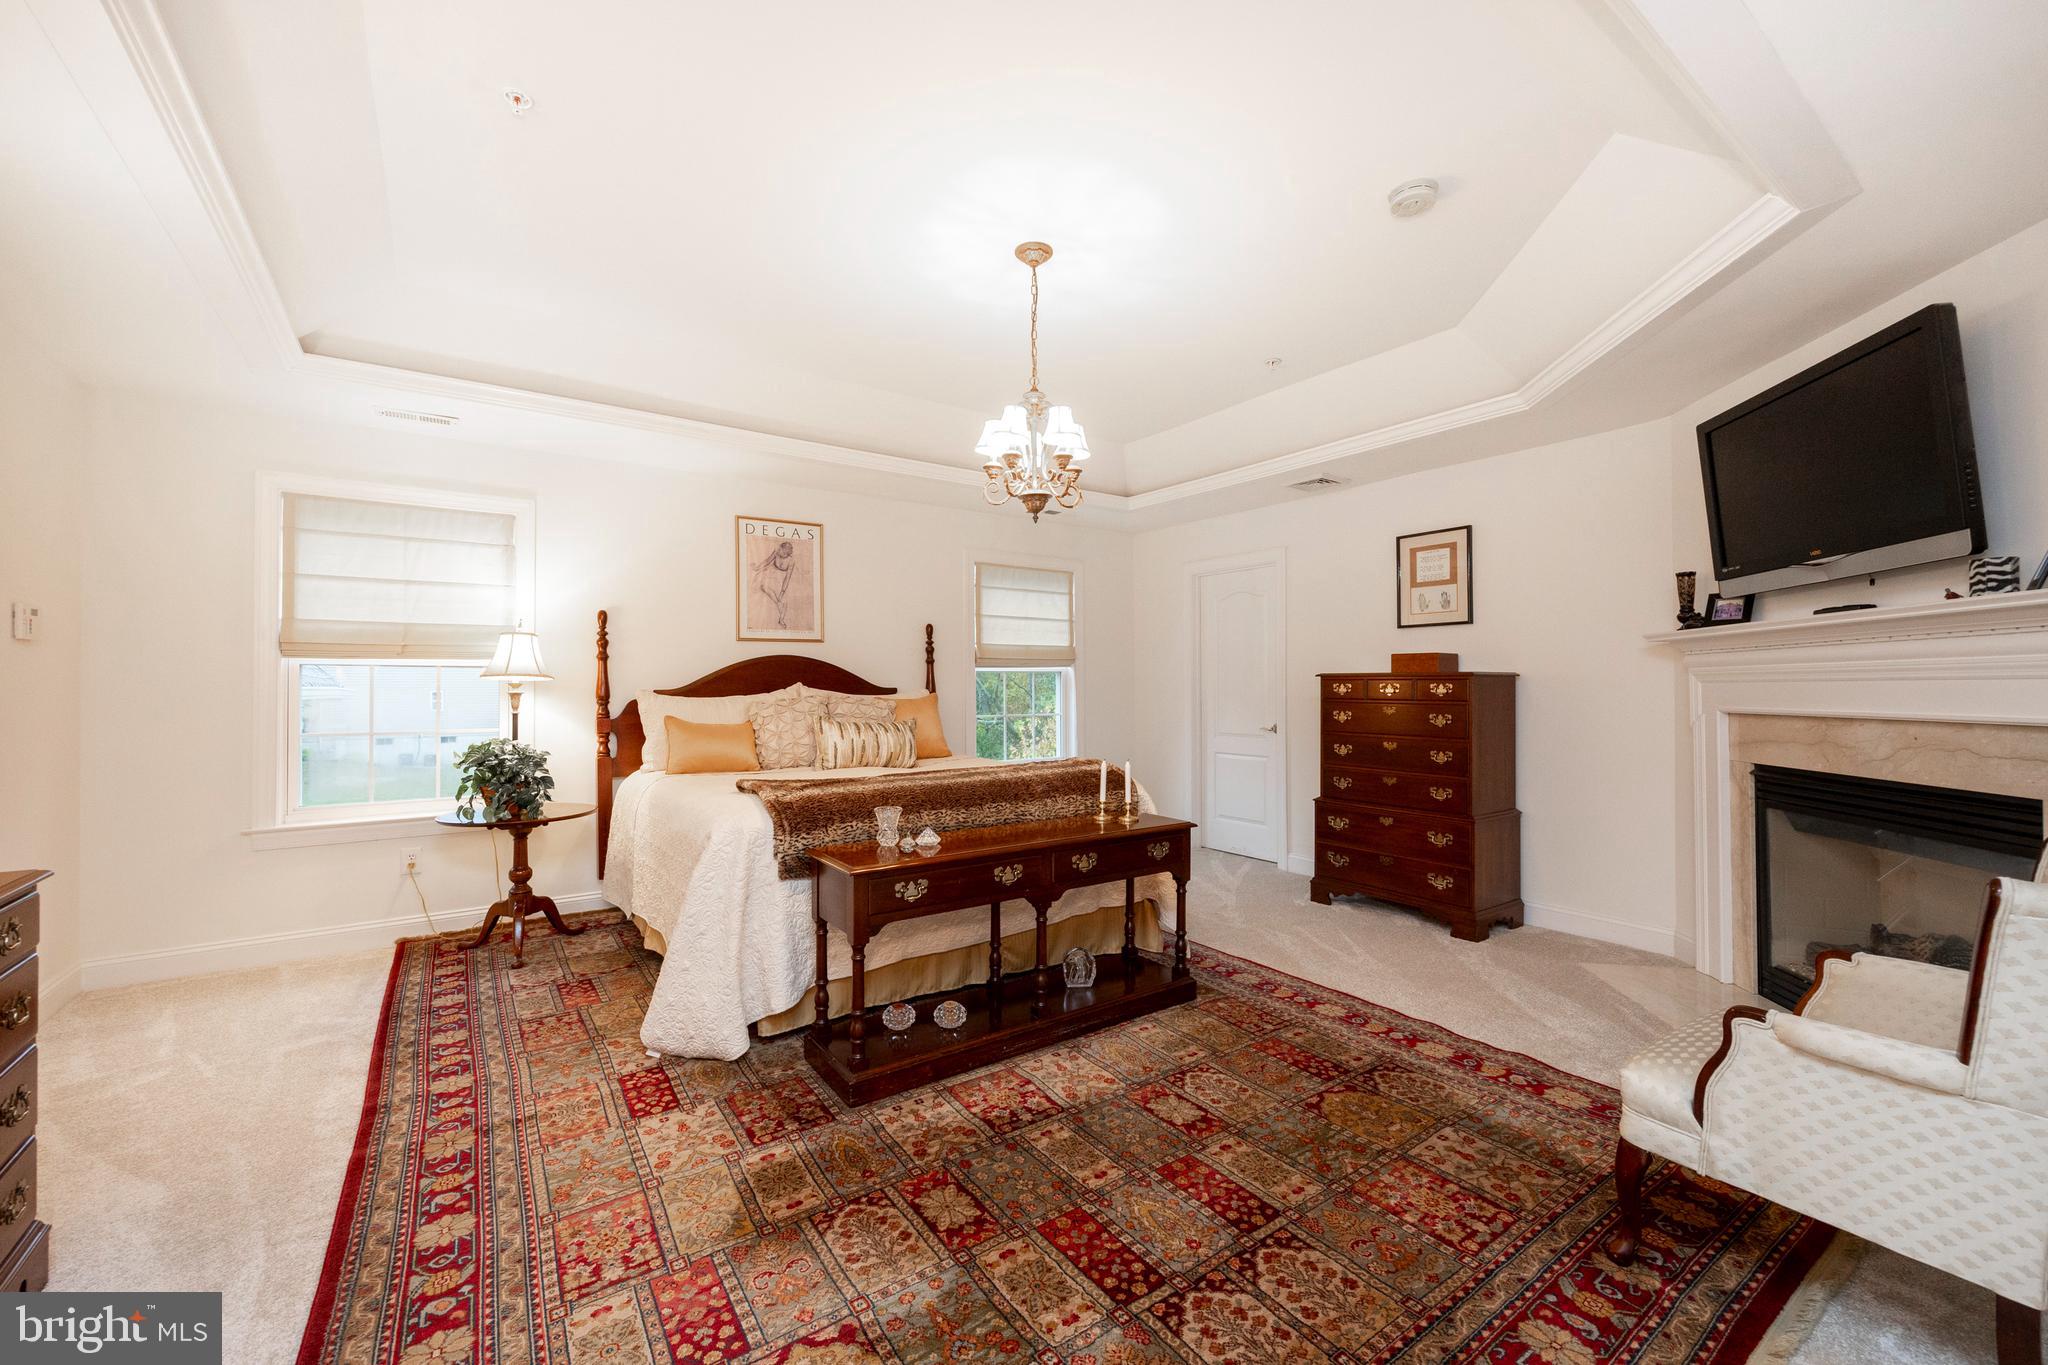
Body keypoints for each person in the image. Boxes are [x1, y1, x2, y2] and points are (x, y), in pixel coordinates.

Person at [753, 539, 798, 630]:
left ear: (786, 551)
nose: (779, 551)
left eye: (781, 549)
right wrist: (757, 568)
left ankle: (781, 619)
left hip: (782, 577)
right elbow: (767, 561)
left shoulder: (791, 561)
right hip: (772, 572)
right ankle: (777, 603)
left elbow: (787, 578)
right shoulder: (777, 552)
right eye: (780, 549)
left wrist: (782, 592)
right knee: (762, 585)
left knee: (783, 599)